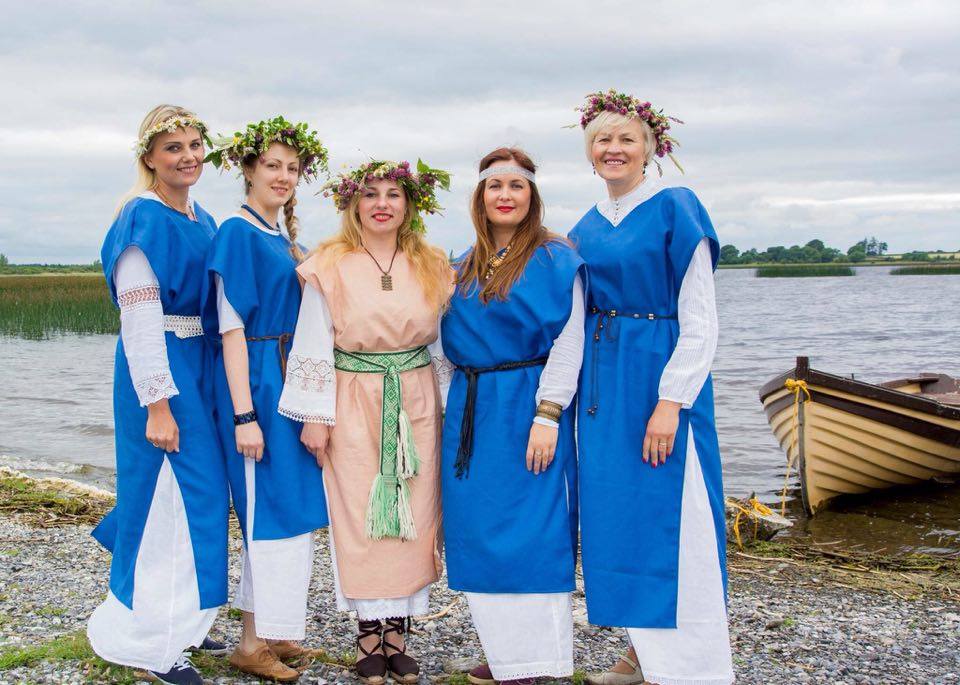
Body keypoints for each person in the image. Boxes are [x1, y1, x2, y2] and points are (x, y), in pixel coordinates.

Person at [569, 90, 734, 685]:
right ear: (590, 152)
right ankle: (642, 652)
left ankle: (693, 664)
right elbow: (569, 316)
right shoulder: (585, 226)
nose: (613, 149)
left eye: (626, 139)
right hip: (602, 386)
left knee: (676, 510)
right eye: (602, 140)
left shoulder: (675, 207)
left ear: (649, 148)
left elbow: (701, 318)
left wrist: (670, 402)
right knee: (619, 513)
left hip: (658, 374)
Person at [278, 159, 453, 685]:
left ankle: (398, 633)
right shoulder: (329, 264)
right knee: (361, 512)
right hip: (352, 398)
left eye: (393, 194)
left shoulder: (432, 262)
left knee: (414, 512)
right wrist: (315, 416)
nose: (382, 204)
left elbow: (441, 344)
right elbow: (312, 339)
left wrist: (449, 403)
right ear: (353, 204)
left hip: (416, 401)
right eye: (370, 194)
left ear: (410, 204)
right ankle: (367, 632)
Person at [87, 105, 229, 685]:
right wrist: (158, 406)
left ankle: (184, 617)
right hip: (163, 371)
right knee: (169, 495)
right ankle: (150, 641)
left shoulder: (203, 217)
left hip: (201, 366)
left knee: (201, 496)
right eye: (173, 147)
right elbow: (140, 321)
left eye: (194, 145)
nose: (188, 156)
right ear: (148, 156)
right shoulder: (141, 218)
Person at [440, 147, 585, 685]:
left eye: (516, 186)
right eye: (495, 186)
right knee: (478, 527)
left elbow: (569, 342)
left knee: (534, 529)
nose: (505, 195)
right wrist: (444, 405)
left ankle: (539, 660)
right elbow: (437, 346)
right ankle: (506, 657)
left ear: (531, 195)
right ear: (480, 197)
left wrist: (548, 415)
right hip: (471, 409)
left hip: (528, 402)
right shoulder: (460, 265)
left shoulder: (556, 259)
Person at [202, 117, 331, 681]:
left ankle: (276, 628)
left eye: (292, 168)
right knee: (264, 511)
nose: (283, 176)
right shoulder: (237, 231)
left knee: (291, 506)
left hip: (287, 376)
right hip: (256, 378)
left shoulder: (280, 235)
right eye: (272, 165)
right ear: (249, 170)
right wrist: (244, 416)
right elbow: (230, 328)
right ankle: (250, 642)